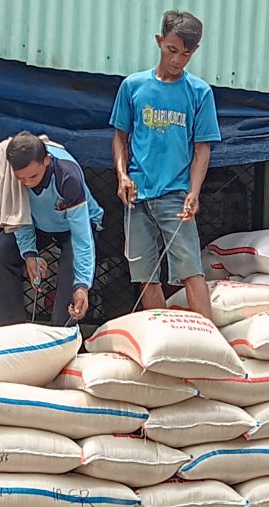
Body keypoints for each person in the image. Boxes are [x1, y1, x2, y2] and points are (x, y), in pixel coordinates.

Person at [110, 9, 221, 319]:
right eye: (172, 50)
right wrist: (121, 175)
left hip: (176, 194)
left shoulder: (199, 93)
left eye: (186, 54)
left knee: (190, 270)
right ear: (160, 42)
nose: (177, 60)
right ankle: (163, 339)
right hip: (137, 195)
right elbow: (120, 137)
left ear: (194, 52)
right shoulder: (133, 87)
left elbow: (202, 149)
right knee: (144, 274)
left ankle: (209, 343)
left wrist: (194, 191)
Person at [0, 131, 104, 325]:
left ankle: (61, 335)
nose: (28, 183)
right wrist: (29, 254)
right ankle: (12, 330)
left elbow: (82, 237)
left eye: (33, 176)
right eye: (22, 179)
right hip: (38, 224)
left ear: (47, 160)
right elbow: (18, 213)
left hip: (73, 227)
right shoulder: (11, 175)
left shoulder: (67, 176)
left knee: (66, 309)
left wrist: (82, 285)